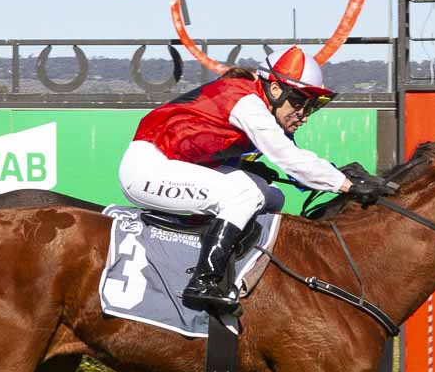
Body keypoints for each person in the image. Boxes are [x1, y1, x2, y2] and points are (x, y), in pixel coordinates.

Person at [120, 47, 383, 312]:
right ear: (276, 90)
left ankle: (248, 266)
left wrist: (340, 174)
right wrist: (346, 184)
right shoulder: (248, 103)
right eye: (299, 102)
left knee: (273, 195)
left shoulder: (268, 110)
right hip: (146, 169)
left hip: (174, 165)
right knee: (245, 194)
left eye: (311, 106)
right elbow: (291, 160)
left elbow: (298, 171)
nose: (304, 114)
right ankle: (203, 281)